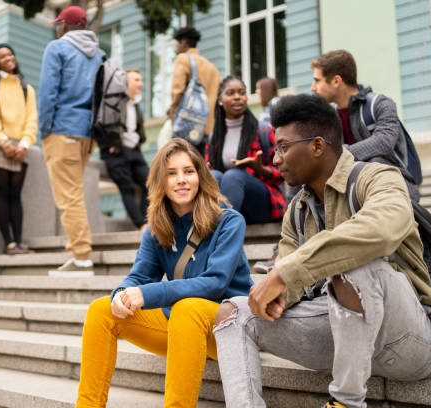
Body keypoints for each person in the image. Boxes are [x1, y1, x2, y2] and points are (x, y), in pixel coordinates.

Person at [213, 94, 431, 408]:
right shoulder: (297, 210)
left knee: (356, 265)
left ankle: (345, 403)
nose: (275, 160)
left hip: (409, 340)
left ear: (317, 146)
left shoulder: (379, 178)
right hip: (340, 335)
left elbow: (380, 229)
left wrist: (284, 273)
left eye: (283, 147)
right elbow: (290, 277)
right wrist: (282, 294)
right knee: (234, 313)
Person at [76, 138, 253, 408]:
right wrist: (121, 294)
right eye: (172, 174)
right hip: (183, 328)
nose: (181, 180)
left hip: (229, 325)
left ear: (200, 176)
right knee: (101, 310)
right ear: (161, 181)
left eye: (188, 171)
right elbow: (139, 276)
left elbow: (215, 283)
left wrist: (147, 294)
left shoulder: (228, 221)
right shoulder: (157, 227)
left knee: (186, 308)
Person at [38, 6, 102, 273]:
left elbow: (47, 92)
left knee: (69, 197)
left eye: (59, 23)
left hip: (62, 129)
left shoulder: (57, 48)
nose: (57, 28)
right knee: (74, 192)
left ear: (66, 25)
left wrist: (44, 130)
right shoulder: (99, 54)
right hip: (88, 134)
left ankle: (81, 256)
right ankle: (77, 253)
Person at [310, 49, 419, 201]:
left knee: (375, 163)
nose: (313, 87)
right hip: (353, 192)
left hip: (395, 188)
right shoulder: (329, 119)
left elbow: (384, 142)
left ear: (336, 81)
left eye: (317, 80)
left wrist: (339, 153)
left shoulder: (381, 104)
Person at [0, 43, 37, 255]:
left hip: (20, 147)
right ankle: (8, 243)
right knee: (3, 193)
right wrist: (4, 142)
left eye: (10, 53)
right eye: (2, 56)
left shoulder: (26, 88)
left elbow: (32, 120)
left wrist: (24, 144)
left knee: (16, 195)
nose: (8, 58)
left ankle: (19, 242)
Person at [207, 76, 285, 224]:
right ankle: (220, 229)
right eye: (230, 93)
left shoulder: (263, 130)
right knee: (214, 175)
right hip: (234, 205)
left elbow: (283, 175)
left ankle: (220, 232)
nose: (237, 97)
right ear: (220, 100)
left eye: (241, 93)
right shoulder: (214, 138)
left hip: (261, 205)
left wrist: (261, 169)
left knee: (234, 175)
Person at [100, 69, 149, 231]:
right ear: (125, 82)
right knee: (126, 187)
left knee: (151, 183)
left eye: (141, 80)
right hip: (116, 150)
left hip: (134, 150)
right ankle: (141, 225)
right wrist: (111, 142)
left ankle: (147, 221)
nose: (140, 83)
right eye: (136, 80)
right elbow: (104, 123)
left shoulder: (136, 104)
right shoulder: (114, 100)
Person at [169, 26, 222, 156]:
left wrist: (172, 113)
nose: (176, 48)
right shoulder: (211, 66)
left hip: (188, 125)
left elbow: (177, 90)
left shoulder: (182, 59)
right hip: (207, 127)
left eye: (177, 44)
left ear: (183, 43)